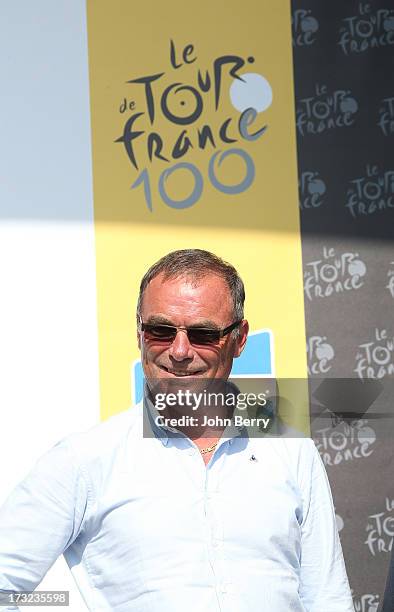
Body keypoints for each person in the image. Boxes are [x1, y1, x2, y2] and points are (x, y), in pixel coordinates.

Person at [0, 249, 354, 611]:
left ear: (239, 338)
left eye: (202, 333)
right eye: (161, 330)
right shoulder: (86, 460)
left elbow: (328, 599)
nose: (180, 350)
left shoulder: (292, 452)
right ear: (139, 333)